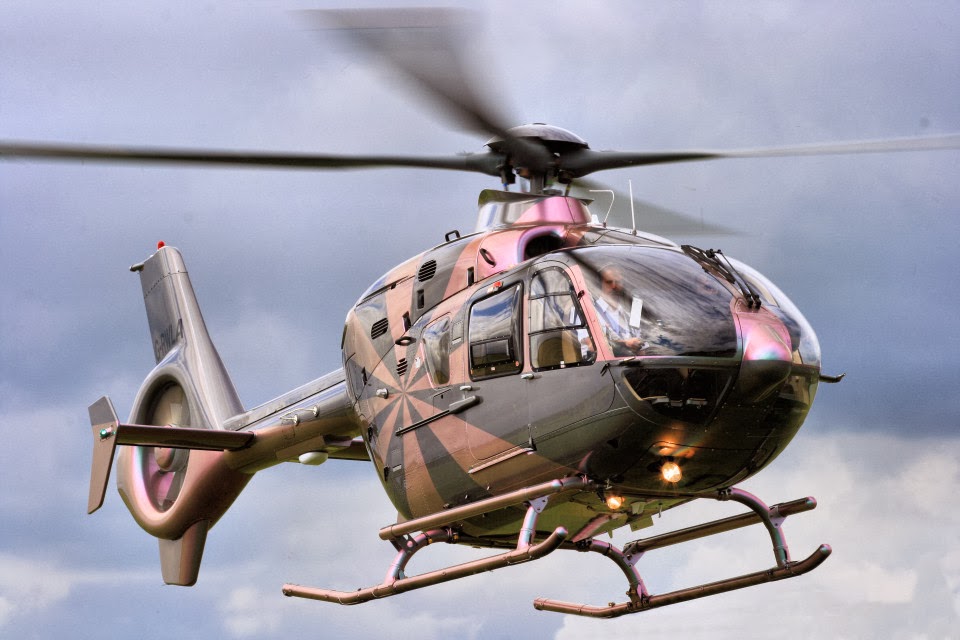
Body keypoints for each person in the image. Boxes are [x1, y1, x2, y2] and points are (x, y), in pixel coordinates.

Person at [594, 266, 646, 356]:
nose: (614, 286)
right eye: (609, 282)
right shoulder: (590, 310)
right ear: (600, 285)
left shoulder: (633, 312)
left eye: (617, 282)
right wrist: (625, 344)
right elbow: (591, 346)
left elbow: (642, 351)